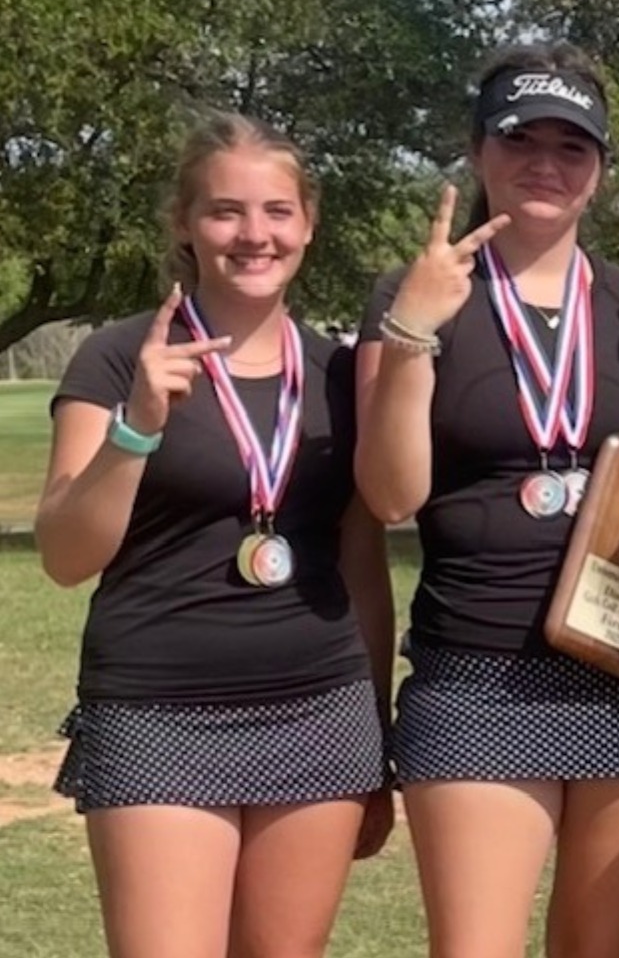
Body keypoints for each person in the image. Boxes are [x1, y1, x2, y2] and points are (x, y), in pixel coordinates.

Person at [355, 43, 619, 958]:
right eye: (520, 137)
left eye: (573, 146)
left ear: (600, 169)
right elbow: (388, 494)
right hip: (479, 674)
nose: (545, 162)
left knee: (599, 945)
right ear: (477, 151)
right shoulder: (409, 298)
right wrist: (414, 332)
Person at [35, 113, 392, 958]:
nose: (254, 234)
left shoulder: (339, 372)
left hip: (320, 710)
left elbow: (362, 563)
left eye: (276, 211)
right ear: (187, 225)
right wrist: (138, 429)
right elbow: (63, 554)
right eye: (226, 211)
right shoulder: (121, 359)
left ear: (308, 222)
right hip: (156, 711)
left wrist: (374, 737)